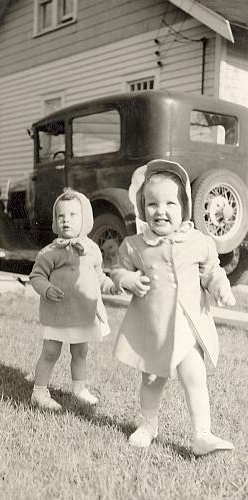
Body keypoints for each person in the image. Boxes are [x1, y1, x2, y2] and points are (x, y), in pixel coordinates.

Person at [111, 159, 236, 456]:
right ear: (142, 208)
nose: (161, 210)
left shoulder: (197, 241)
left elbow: (212, 271)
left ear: (184, 207)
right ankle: (149, 424)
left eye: (170, 203)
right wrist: (126, 278)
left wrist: (220, 285)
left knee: (195, 375)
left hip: (187, 325)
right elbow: (117, 270)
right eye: (152, 203)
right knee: (152, 379)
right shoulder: (135, 245)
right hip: (154, 326)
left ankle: (201, 434)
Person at [29, 188, 116, 411]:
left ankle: (79, 388)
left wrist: (110, 285)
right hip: (58, 312)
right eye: (61, 216)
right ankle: (39, 392)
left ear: (85, 219)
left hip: (82, 311)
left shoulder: (91, 249)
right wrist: (46, 288)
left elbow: (98, 275)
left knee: (80, 351)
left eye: (72, 215)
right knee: (50, 351)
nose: (66, 220)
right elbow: (36, 276)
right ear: (55, 222)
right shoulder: (49, 252)